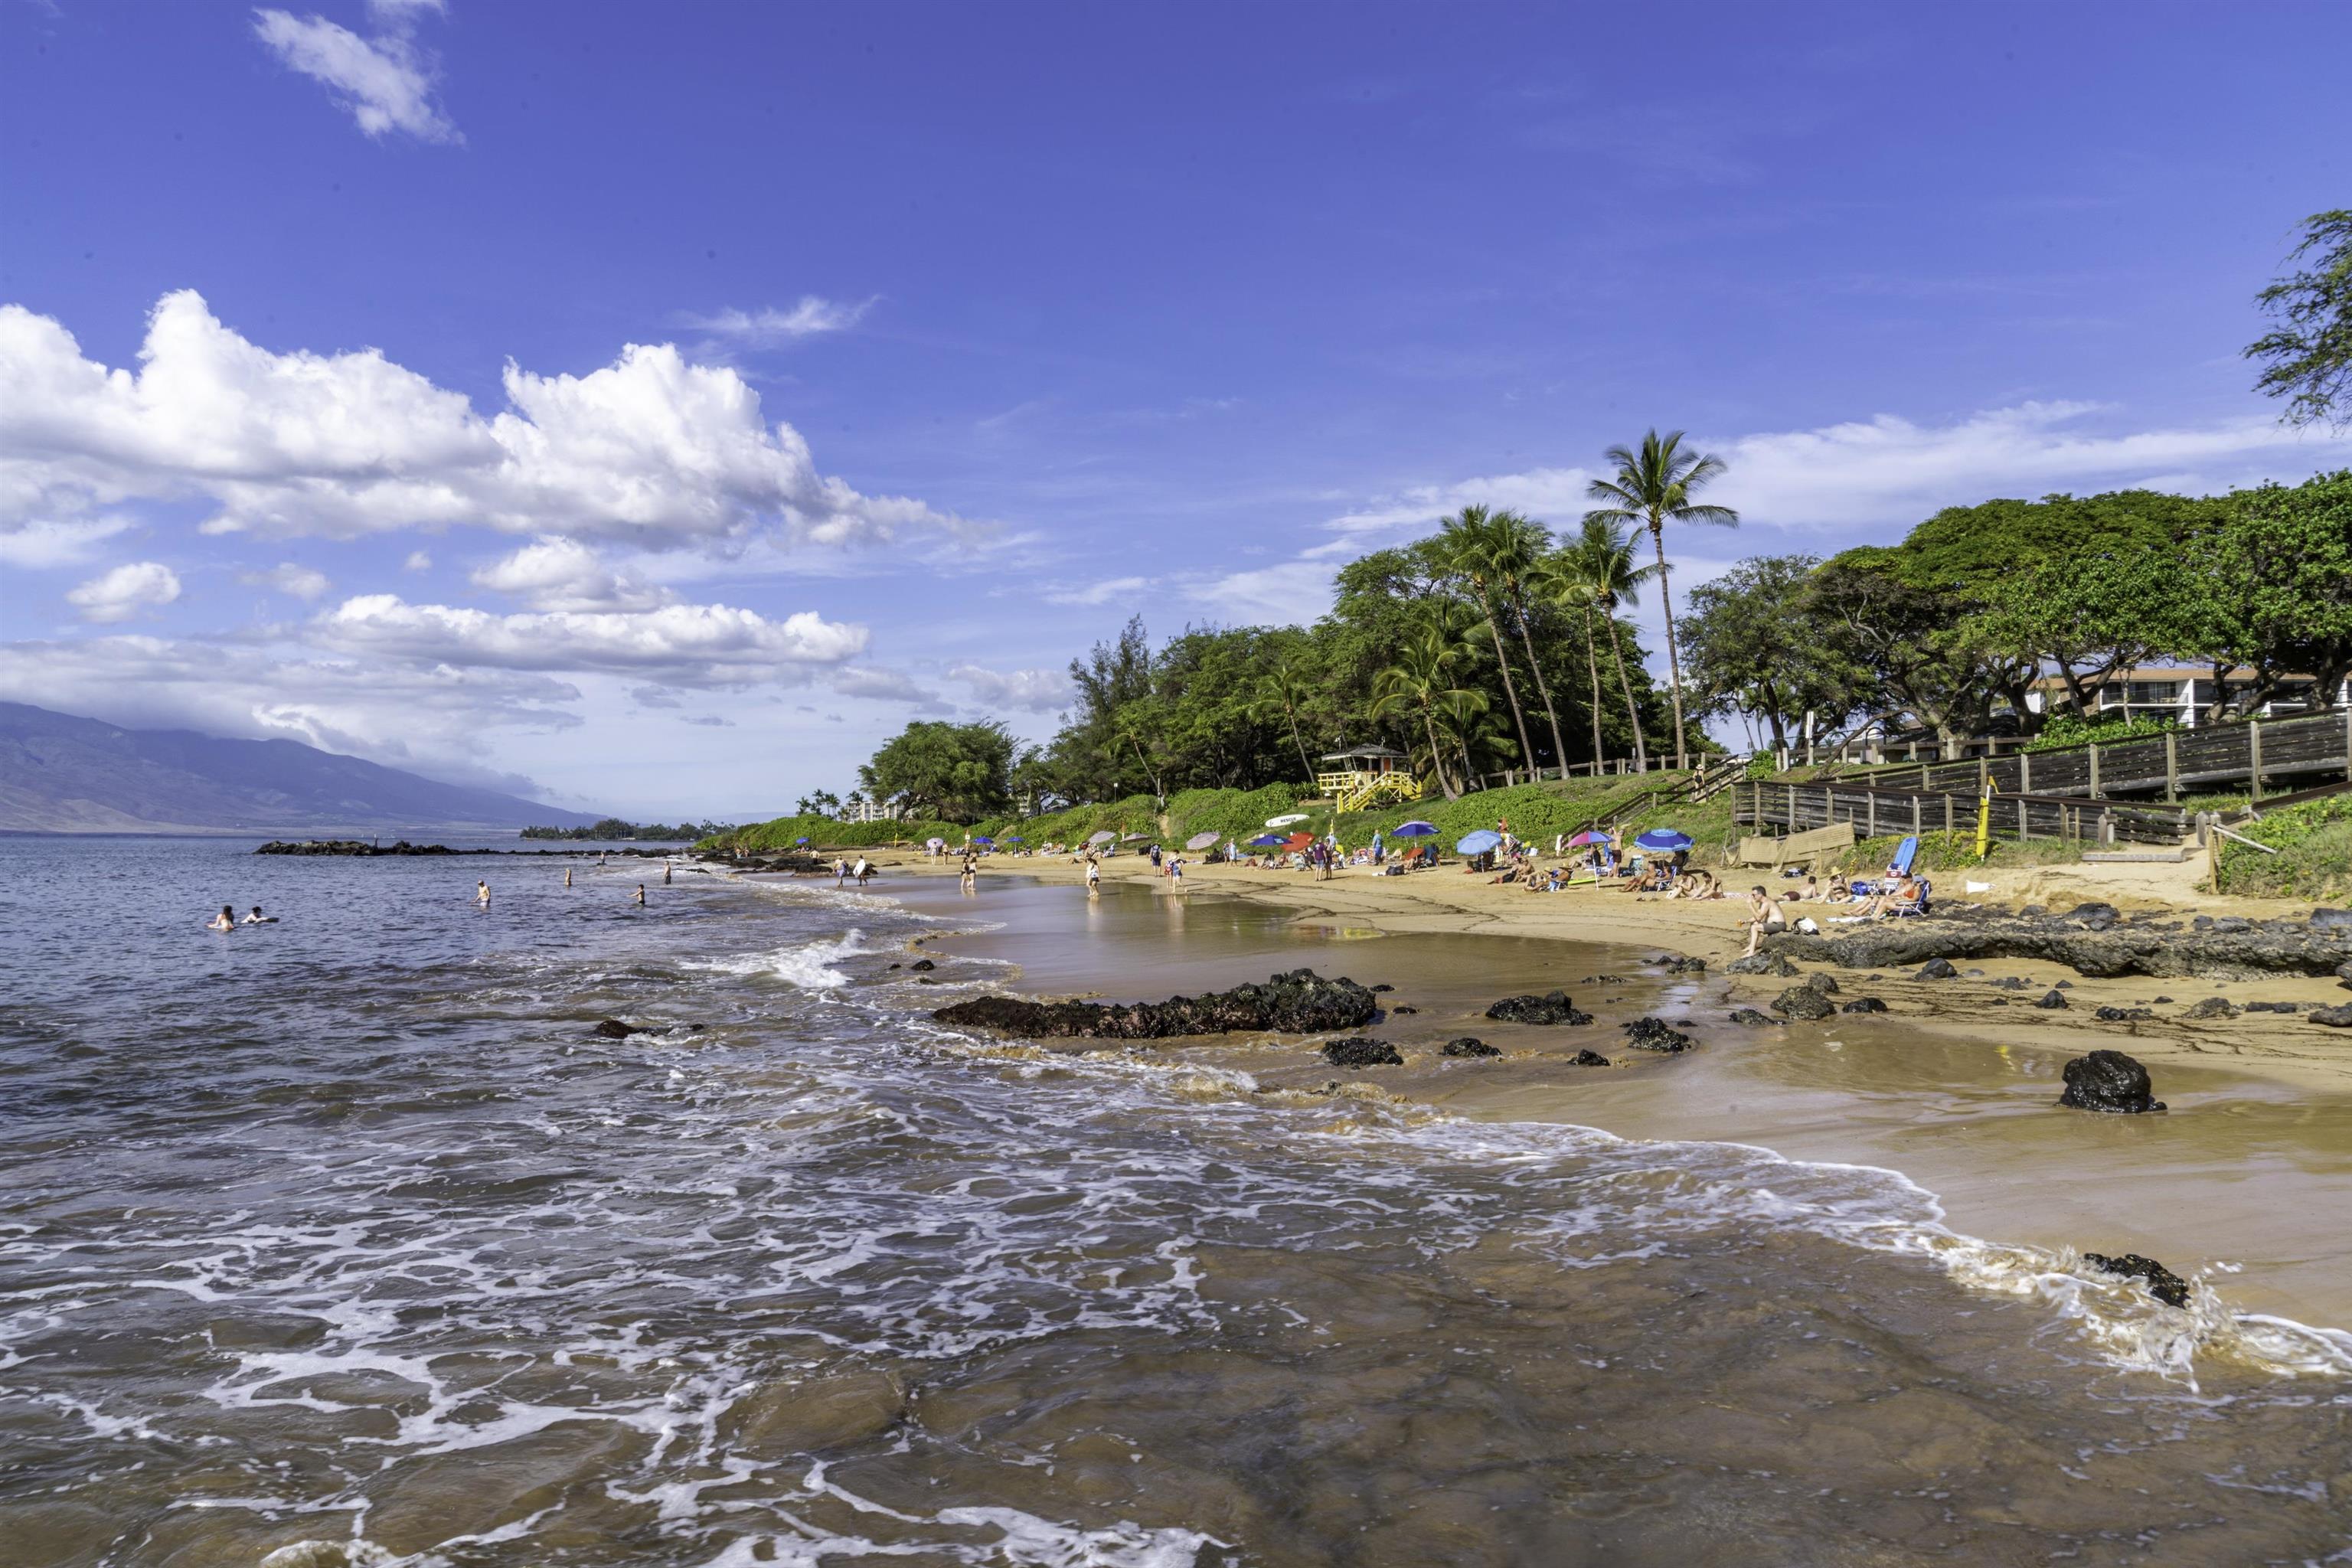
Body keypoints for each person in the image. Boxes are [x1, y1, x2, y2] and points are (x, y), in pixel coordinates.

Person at [1742, 885, 1787, 957]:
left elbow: (1759, 918)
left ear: (1760, 895)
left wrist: (1750, 905)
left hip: (1779, 925)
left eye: (1754, 895)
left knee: (1754, 927)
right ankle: (1751, 946)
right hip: (1773, 924)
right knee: (1754, 923)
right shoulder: (1762, 902)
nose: (1753, 897)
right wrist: (1745, 921)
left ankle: (1751, 952)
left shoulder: (1767, 903)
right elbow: (1756, 918)